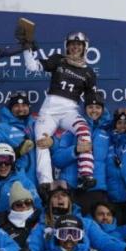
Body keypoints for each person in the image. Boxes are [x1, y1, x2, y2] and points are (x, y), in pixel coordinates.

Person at [23, 31, 98, 191]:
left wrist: (95, 112)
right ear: (67, 47)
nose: (75, 47)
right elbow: (32, 66)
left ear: (85, 48)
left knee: (84, 130)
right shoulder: (58, 60)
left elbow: (92, 99)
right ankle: (45, 182)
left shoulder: (89, 72)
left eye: (79, 45)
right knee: (42, 140)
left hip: (70, 111)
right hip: (49, 110)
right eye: (72, 45)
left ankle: (86, 174)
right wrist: (27, 48)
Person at [53, 90, 112, 215]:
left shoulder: (107, 132)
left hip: (96, 188)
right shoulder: (72, 130)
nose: (94, 110)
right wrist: (75, 150)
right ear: (84, 109)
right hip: (72, 187)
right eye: (90, 107)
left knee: (93, 228)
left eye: (98, 107)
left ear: (103, 109)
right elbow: (57, 160)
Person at [0, 91, 37, 184]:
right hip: (16, 179)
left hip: (38, 179)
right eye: (16, 106)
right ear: (10, 108)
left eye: (24, 105)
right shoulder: (3, 127)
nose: (21, 109)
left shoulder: (35, 124)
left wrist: (52, 141)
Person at [0, 181, 44, 249]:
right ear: (12, 207)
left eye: (28, 202)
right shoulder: (1, 223)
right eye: (19, 204)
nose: (24, 206)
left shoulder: (41, 218)